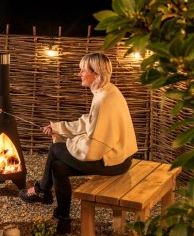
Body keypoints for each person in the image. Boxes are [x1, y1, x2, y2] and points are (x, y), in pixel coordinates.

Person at [18, 53, 138, 234]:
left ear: (96, 73)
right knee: (58, 167)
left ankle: (42, 190)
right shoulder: (108, 90)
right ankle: (62, 219)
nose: (79, 74)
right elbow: (88, 123)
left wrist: (68, 141)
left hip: (114, 161)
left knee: (55, 149)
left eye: (83, 70)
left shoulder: (103, 100)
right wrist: (57, 127)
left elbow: (91, 150)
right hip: (118, 157)